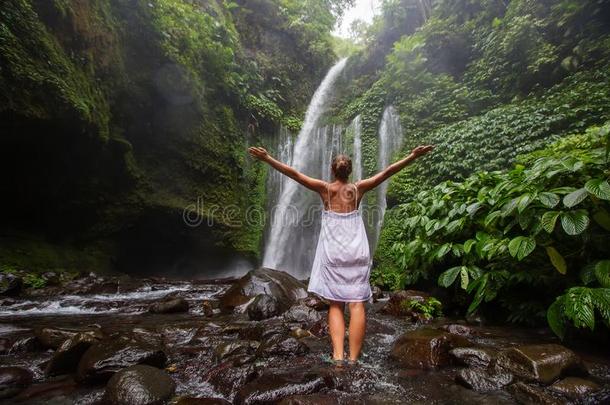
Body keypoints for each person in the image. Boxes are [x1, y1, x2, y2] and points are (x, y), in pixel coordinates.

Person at [247, 144, 434, 366]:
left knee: (336, 304)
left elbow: (294, 173)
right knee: (357, 304)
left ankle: (337, 356)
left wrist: (268, 158)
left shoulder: (324, 189)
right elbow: (388, 172)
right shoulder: (358, 189)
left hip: (334, 253)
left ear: (332, 171)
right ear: (350, 171)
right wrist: (413, 155)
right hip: (357, 252)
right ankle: (353, 359)